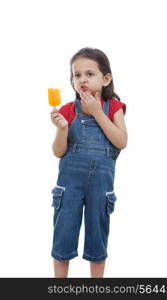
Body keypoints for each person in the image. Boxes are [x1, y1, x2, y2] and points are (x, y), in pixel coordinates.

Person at [50, 47, 128, 278]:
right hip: (69, 185)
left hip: (101, 186)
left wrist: (97, 113)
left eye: (89, 74)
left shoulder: (113, 107)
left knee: (97, 237)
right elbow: (58, 151)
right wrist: (62, 129)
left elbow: (121, 141)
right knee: (63, 237)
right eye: (77, 75)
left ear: (106, 79)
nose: (82, 79)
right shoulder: (67, 110)